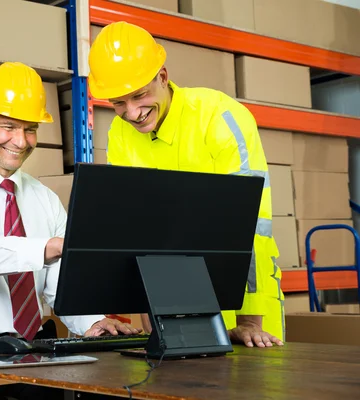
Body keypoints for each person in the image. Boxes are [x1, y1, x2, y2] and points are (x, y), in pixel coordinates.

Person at [0, 61, 141, 400]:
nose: (20, 141)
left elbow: (60, 280)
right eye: (8, 127)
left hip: (33, 342)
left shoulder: (44, 199)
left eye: (30, 129)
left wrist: (91, 323)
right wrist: (46, 247)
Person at [87, 21, 285, 348]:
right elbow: (133, 226)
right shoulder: (120, 135)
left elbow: (252, 224)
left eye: (139, 95)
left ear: (162, 77)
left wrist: (250, 319)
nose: (132, 113)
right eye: (119, 103)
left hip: (246, 298)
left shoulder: (220, 117)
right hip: (172, 297)